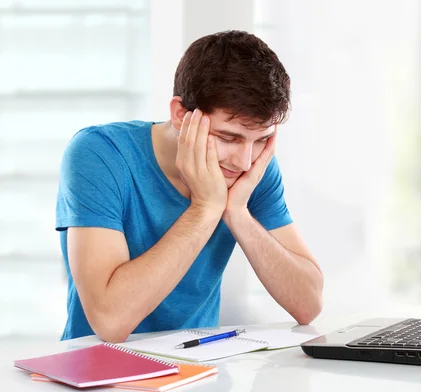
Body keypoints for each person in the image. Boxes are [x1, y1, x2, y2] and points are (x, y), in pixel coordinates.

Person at [56, 30, 323, 342]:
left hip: (197, 369)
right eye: (228, 138)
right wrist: (206, 208)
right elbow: (110, 322)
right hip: (99, 374)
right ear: (181, 114)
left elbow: (309, 305)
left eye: (261, 140)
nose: (244, 161)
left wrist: (236, 212)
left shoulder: (253, 168)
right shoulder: (99, 153)